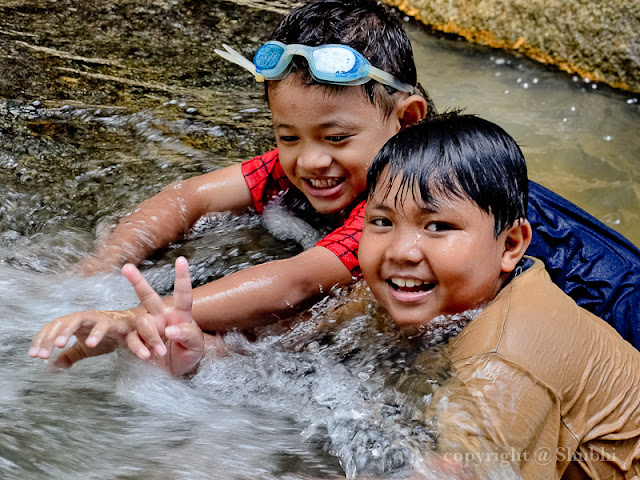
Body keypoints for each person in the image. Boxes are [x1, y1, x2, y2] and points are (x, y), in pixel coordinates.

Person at [29, 0, 640, 368]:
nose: (308, 160)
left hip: (613, 306)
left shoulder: (395, 202)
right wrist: (101, 263)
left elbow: (293, 285)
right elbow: (187, 197)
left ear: (407, 121)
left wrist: (134, 316)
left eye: (336, 138)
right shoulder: (323, 157)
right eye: (289, 135)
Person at [357, 112, 640, 479]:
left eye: (438, 226)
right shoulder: (463, 288)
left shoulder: (505, 363)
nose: (400, 251)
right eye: (382, 222)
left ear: (510, 245)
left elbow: (463, 472)